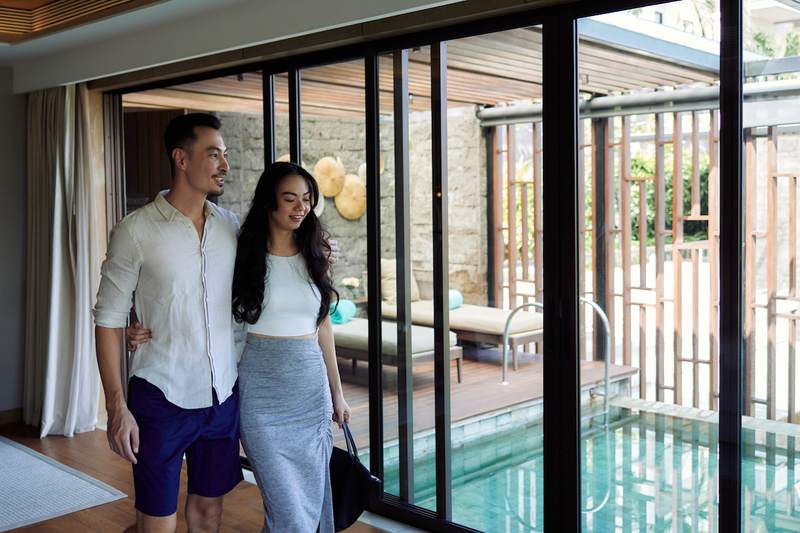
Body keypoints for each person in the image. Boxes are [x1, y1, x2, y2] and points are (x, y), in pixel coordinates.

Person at [94, 113, 243, 533]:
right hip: (161, 398)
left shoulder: (231, 228)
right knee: (156, 523)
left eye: (225, 155)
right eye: (213, 154)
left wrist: (323, 251)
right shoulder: (135, 231)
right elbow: (107, 318)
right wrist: (116, 406)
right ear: (181, 158)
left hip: (221, 397)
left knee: (208, 515)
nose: (224, 166)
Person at [231, 161, 350, 532]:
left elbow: (323, 325)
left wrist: (338, 393)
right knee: (287, 511)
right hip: (260, 397)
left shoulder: (315, 253)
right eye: (290, 199)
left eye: (306, 199)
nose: (301, 207)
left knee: (309, 506)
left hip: (309, 395)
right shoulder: (241, 255)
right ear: (269, 202)